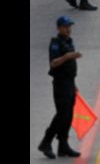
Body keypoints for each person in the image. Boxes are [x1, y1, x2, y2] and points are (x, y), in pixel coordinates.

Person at [38, 15, 83, 159]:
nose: (68, 29)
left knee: (68, 115)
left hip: (69, 82)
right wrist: (67, 57)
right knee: (61, 115)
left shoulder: (69, 41)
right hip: (60, 83)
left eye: (69, 26)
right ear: (59, 28)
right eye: (65, 27)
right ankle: (46, 142)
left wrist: (74, 85)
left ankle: (63, 145)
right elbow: (53, 63)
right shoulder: (56, 44)